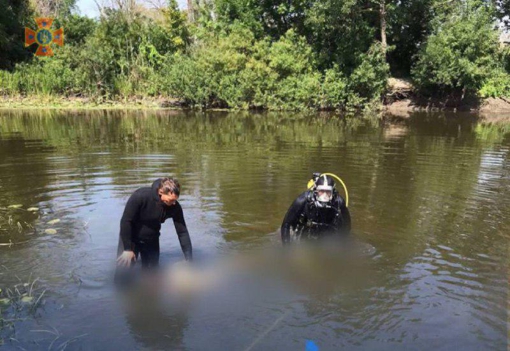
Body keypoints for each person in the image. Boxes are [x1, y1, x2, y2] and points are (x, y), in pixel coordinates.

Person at [116, 177, 192, 271]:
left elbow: (182, 232)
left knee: (152, 276)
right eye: (171, 200)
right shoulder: (141, 196)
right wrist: (127, 249)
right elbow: (126, 221)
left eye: (175, 200)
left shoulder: (175, 207)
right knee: (122, 277)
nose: (174, 203)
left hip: (151, 240)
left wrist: (189, 260)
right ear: (161, 192)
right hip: (130, 237)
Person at [281, 173, 351, 244]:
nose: (324, 195)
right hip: (305, 230)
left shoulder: (339, 203)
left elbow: (347, 227)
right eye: (321, 191)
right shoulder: (303, 200)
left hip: (327, 233)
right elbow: (286, 224)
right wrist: (287, 249)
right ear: (316, 190)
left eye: (328, 192)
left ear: (333, 192)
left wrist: (340, 246)